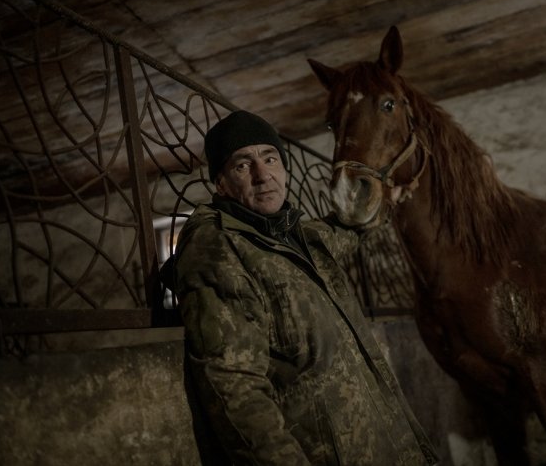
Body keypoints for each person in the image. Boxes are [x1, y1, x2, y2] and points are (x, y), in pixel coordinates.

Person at [171, 110, 438, 465]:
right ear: (221, 183)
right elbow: (235, 387)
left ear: (284, 168)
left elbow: (350, 228)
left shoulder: (297, 237)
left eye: (270, 159)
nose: (262, 175)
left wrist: (384, 191)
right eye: (241, 166)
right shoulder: (219, 248)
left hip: (382, 443)